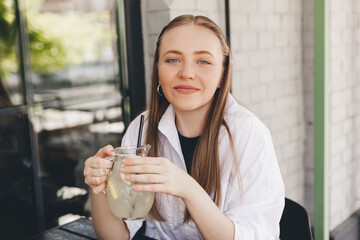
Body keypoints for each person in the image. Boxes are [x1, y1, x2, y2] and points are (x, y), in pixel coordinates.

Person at [84, 14, 285, 240]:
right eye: (172, 60)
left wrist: (187, 188)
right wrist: (100, 187)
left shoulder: (248, 134)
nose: (187, 73)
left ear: (222, 74)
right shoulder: (141, 128)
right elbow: (115, 237)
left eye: (203, 61)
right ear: (158, 70)